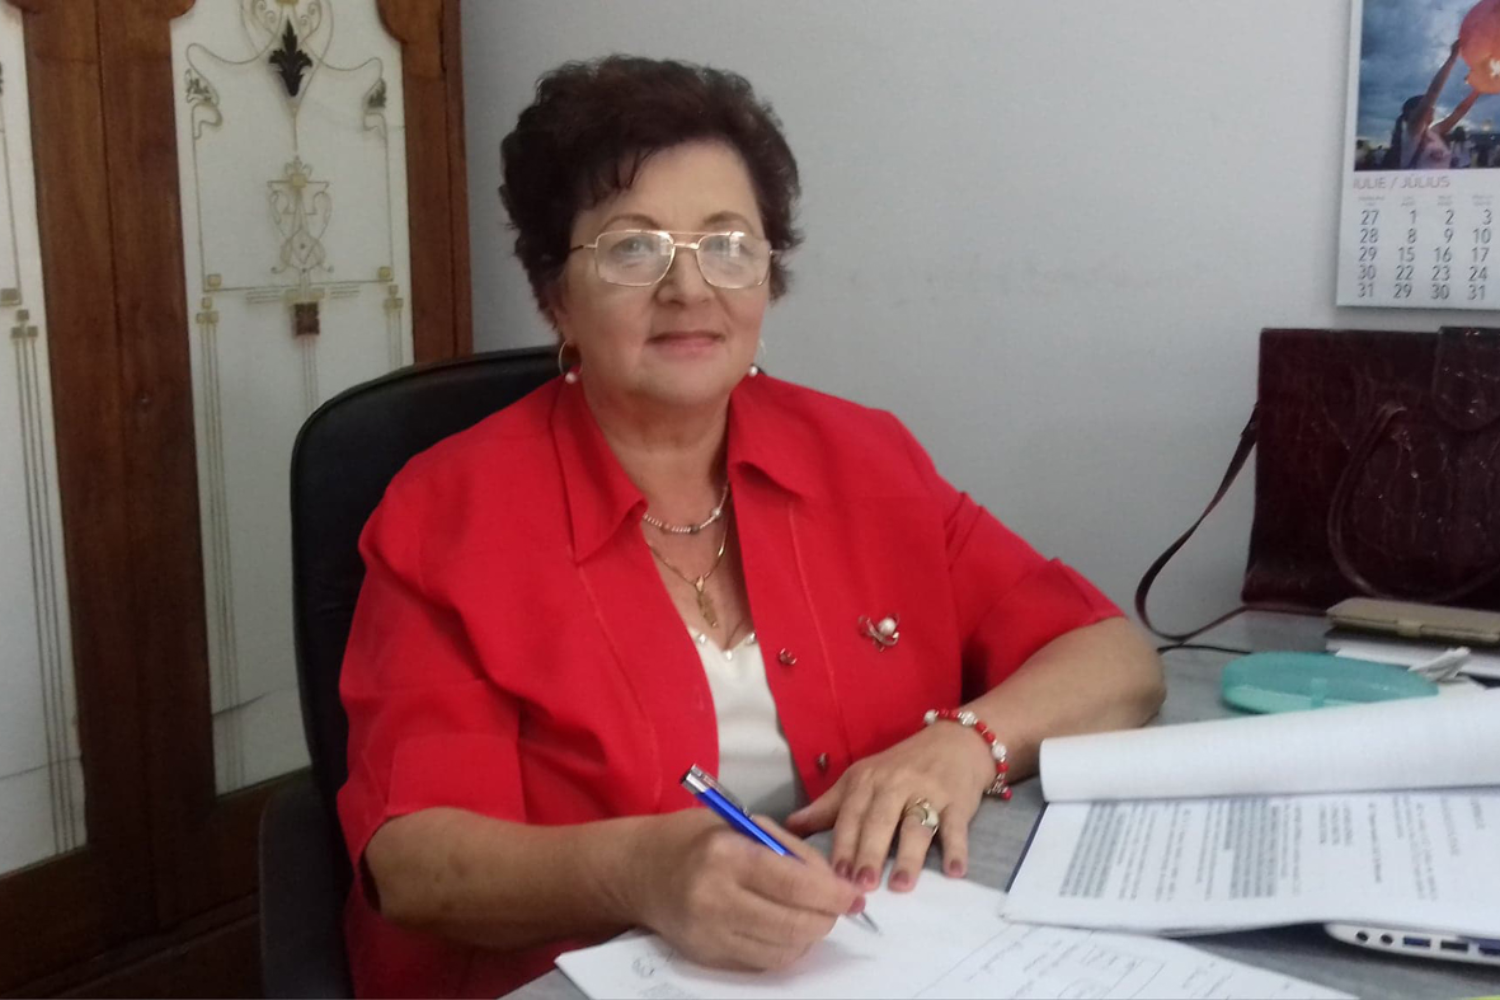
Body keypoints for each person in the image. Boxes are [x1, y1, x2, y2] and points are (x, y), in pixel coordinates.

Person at [337, 55, 1166, 998]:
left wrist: (966, 744)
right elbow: (413, 863)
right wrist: (642, 871)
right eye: (633, 248)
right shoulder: (446, 514)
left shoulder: (866, 459)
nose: (690, 289)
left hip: (870, 956)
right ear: (554, 294)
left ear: (770, 275)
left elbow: (1114, 660)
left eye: (728, 244)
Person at [1387, 41, 1481, 169]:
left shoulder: (1434, 132)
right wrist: (1452, 58)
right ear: (1412, 113)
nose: (1432, 109)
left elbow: (1459, 112)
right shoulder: (1412, 133)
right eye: (1426, 107)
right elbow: (1433, 92)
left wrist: (1480, 88)